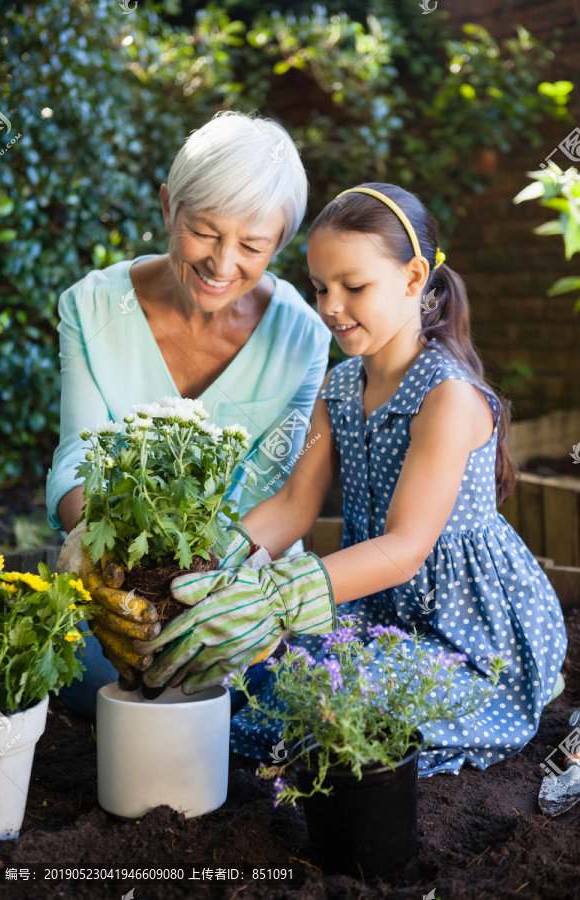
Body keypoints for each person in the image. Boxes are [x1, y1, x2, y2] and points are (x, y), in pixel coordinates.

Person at [132, 183, 568, 776]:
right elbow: (292, 505)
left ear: (415, 278)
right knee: (260, 674)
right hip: (377, 611)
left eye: (353, 287)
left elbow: (404, 548)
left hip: (470, 633)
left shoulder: (448, 399)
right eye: (319, 288)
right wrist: (211, 568)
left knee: (336, 700)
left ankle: (527, 684)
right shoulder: (339, 389)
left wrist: (275, 598)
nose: (331, 306)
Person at [48, 111, 331, 718]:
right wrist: (97, 564)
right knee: (86, 673)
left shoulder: (303, 337)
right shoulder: (93, 305)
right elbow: (78, 453)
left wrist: (212, 602)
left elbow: (279, 489)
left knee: (269, 690)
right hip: (124, 576)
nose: (223, 264)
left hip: (240, 581)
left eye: (253, 246)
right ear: (167, 208)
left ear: (279, 245)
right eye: (204, 231)